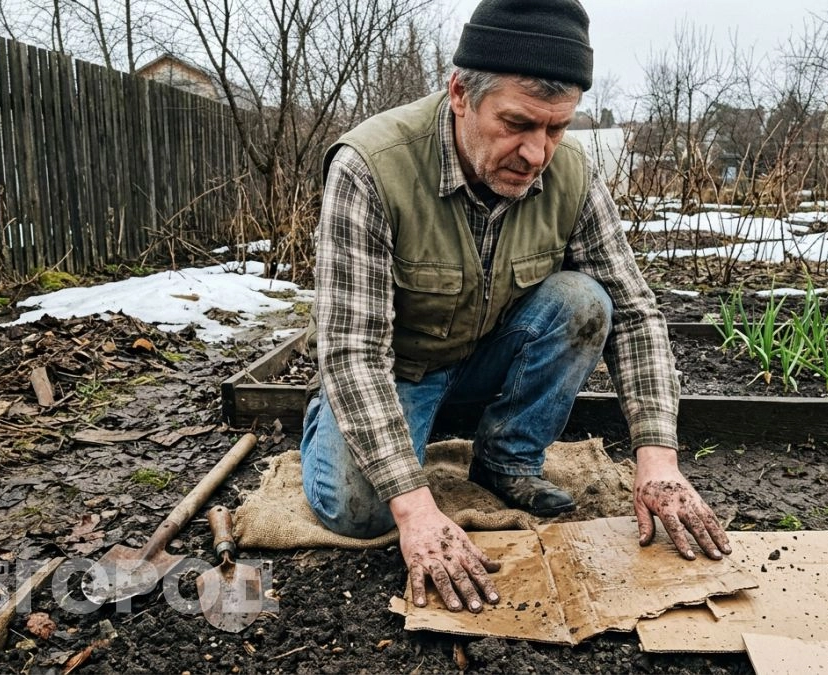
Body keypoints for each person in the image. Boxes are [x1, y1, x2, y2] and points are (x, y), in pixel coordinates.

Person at [301, 0, 731, 614]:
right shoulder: (371, 168)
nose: (537, 154)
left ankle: (505, 460)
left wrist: (658, 458)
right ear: (459, 93)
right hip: (396, 371)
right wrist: (416, 506)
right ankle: (338, 424)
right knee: (362, 513)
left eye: (556, 129)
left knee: (585, 300)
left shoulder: (572, 176)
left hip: (487, 358)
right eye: (517, 124)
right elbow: (351, 351)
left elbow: (636, 314)